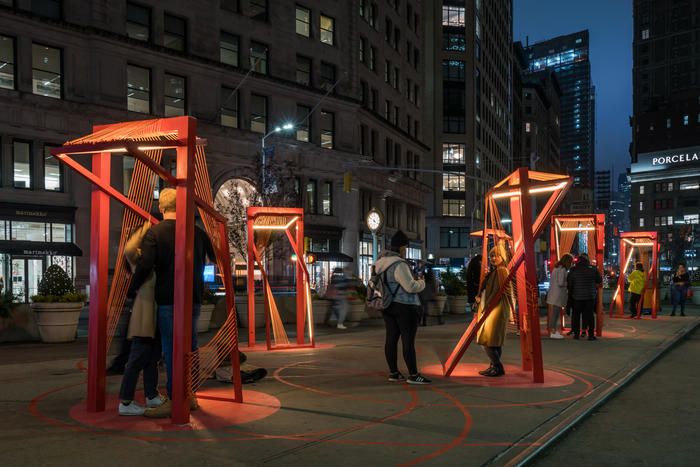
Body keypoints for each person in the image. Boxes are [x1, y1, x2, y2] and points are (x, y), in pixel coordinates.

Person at [128, 188, 215, 418]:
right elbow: (215, 257)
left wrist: (132, 288)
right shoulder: (197, 232)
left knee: (171, 350)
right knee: (191, 347)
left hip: (168, 299)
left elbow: (145, 265)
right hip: (194, 298)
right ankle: (191, 394)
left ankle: (176, 399)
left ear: (161, 207)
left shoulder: (155, 233)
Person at [118, 223, 166, 416]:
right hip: (145, 315)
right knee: (137, 358)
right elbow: (128, 249)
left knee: (151, 358)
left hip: (153, 316)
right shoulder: (138, 258)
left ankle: (151, 395)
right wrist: (144, 228)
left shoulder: (150, 260)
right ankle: (126, 401)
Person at [374, 230, 430, 385]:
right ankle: (413, 375)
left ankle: (394, 372)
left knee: (391, 339)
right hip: (405, 307)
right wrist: (422, 282)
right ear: (402, 247)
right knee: (408, 341)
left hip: (387, 306)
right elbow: (410, 286)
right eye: (405, 247)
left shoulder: (379, 263)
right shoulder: (399, 264)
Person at [475, 242, 512, 377]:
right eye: (491, 256)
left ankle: (497, 366)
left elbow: (497, 291)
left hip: (495, 309)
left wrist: (486, 306)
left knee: (487, 340)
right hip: (494, 308)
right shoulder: (498, 271)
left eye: (495, 256)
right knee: (494, 341)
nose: (493, 258)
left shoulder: (501, 271)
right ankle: (494, 366)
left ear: (502, 256)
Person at [567, 253, 602, 340]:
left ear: (578, 261)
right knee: (589, 316)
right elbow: (599, 280)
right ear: (587, 261)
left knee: (576, 315)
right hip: (590, 296)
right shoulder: (593, 269)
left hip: (576, 297)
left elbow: (569, 283)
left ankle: (576, 334)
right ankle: (590, 335)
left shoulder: (573, 270)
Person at [546, 254, 573, 339]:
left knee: (555, 313)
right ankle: (553, 332)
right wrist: (567, 283)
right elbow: (561, 283)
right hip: (558, 295)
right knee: (555, 314)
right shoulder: (563, 269)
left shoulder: (556, 268)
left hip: (553, 293)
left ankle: (553, 331)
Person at [418, 262, 439, 326]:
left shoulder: (426, 275)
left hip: (424, 292)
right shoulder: (431, 275)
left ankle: (422, 322)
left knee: (423, 308)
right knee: (429, 308)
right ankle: (438, 320)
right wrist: (435, 292)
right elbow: (433, 284)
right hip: (429, 292)